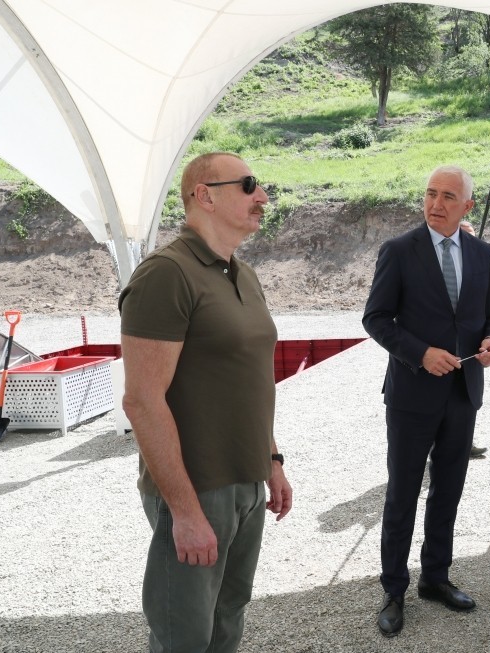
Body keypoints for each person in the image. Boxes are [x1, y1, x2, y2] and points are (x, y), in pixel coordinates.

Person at [119, 152, 293, 653]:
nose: (262, 197)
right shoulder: (166, 275)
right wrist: (186, 513)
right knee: (184, 637)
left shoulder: (242, 273)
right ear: (205, 195)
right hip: (196, 489)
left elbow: (246, 381)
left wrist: (272, 460)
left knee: (228, 620)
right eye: (249, 185)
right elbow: (142, 402)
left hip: (246, 482)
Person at [363, 165, 490, 637]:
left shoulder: (482, 254)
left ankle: (435, 578)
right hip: (411, 395)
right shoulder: (399, 251)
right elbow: (377, 319)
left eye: (448, 196)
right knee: (402, 493)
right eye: (429, 193)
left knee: (448, 489)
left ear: (468, 205)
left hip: (463, 394)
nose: (435, 203)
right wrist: (420, 354)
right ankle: (394, 589)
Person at [459, 219, 488, 458]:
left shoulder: (481, 263)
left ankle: (465, 442)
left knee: (469, 397)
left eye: (472, 236)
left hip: (472, 347)